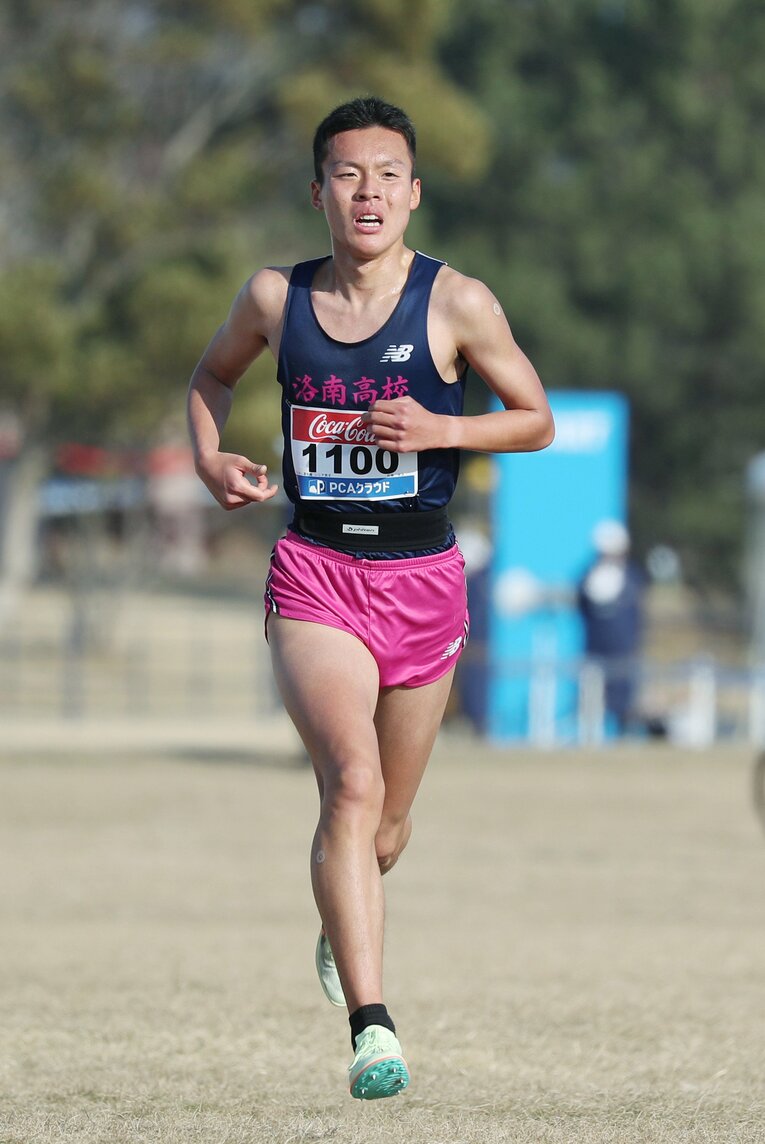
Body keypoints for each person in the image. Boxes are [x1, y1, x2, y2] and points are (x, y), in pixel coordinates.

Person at [187, 96, 554, 1100]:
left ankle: (341, 907)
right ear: (318, 192)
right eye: (348, 174)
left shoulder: (458, 304)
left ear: (416, 193)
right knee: (348, 784)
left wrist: (444, 432)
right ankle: (373, 1026)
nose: (369, 192)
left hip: (424, 581)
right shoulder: (276, 298)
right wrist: (210, 454)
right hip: (315, 573)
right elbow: (210, 379)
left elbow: (535, 420)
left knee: (386, 825)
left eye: (388, 174)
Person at [577, 519, 645, 733]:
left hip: (623, 649)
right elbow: (582, 605)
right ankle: (591, 736)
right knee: (592, 696)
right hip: (597, 647)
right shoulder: (589, 576)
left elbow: (636, 615)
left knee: (622, 699)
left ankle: (623, 733)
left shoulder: (631, 577)